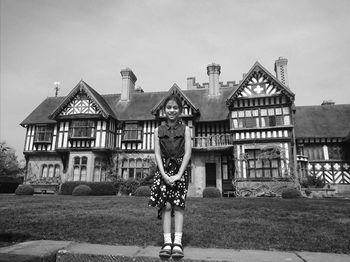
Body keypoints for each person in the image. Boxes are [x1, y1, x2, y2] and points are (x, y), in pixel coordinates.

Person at [148, 94, 192, 259]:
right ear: (164, 110)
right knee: (166, 205)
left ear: (180, 110)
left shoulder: (186, 129)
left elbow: (188, 153)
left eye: (175, 108)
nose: (171, 110)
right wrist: (163, 173)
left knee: (179, 205)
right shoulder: (157, 130)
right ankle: (167, 242)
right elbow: (157, 153)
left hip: (180, 169)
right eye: (169, 107)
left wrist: (179, 174)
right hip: (163, 169)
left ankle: (178, 243)